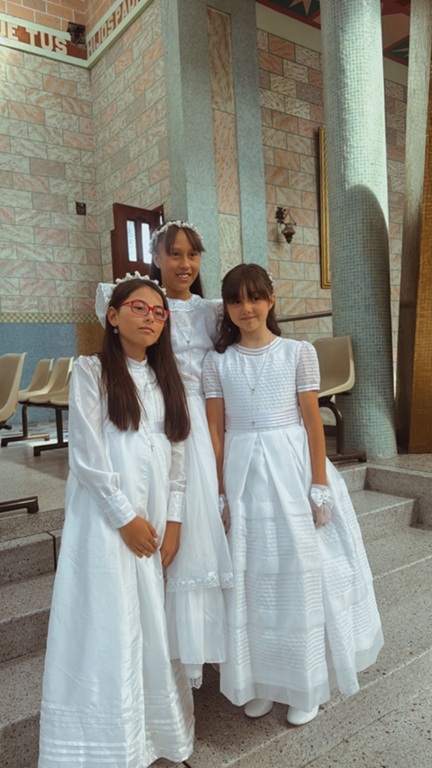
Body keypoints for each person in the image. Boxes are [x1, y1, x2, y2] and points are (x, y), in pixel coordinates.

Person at [203, 263, 384, 726]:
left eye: (254, 298)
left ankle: (305, 682)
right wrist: (221, 493)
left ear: (270, 300)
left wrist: (319, 485)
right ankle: (262, 680)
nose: (247, 309)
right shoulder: (217, 361)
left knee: (299, 573)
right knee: (254, 578)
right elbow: (217, 433)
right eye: (236, 301)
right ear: (226, 308)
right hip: (243, 474)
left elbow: (312, 422)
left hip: (291, 467)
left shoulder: (297, 353)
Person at [38, 274, 194, 768]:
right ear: (112, 315)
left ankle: (153, 732)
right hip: (105, 519)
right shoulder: (92, 371)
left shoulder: (169, 377)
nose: (151, 317)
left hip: (151, 516)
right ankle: (103, 742)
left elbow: (177, 455)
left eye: (159, 312)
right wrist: (124, 517)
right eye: (139, 308)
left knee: (148, 614)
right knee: (106, 615)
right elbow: (86, 453)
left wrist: (173, 521)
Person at [150, 221, 233, 688]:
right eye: (174, 254)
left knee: (201, 522)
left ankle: (211, 644)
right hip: (157, 417)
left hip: (201, 420)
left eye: (192, 256)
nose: (184, 264)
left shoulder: (212, 311)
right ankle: (169, 646)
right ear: (158, 257)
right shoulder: (147, 304)